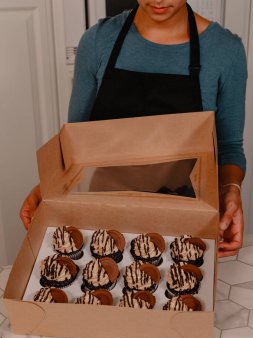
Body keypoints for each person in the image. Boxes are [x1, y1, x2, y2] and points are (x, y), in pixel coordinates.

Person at [20, 0, 247, 258]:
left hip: (184, 229)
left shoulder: (225, 51)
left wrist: (231, 188)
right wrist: (47, 187)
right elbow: (76, 141)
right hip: (100, 224)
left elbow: (229, 148)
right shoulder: (97, 41)